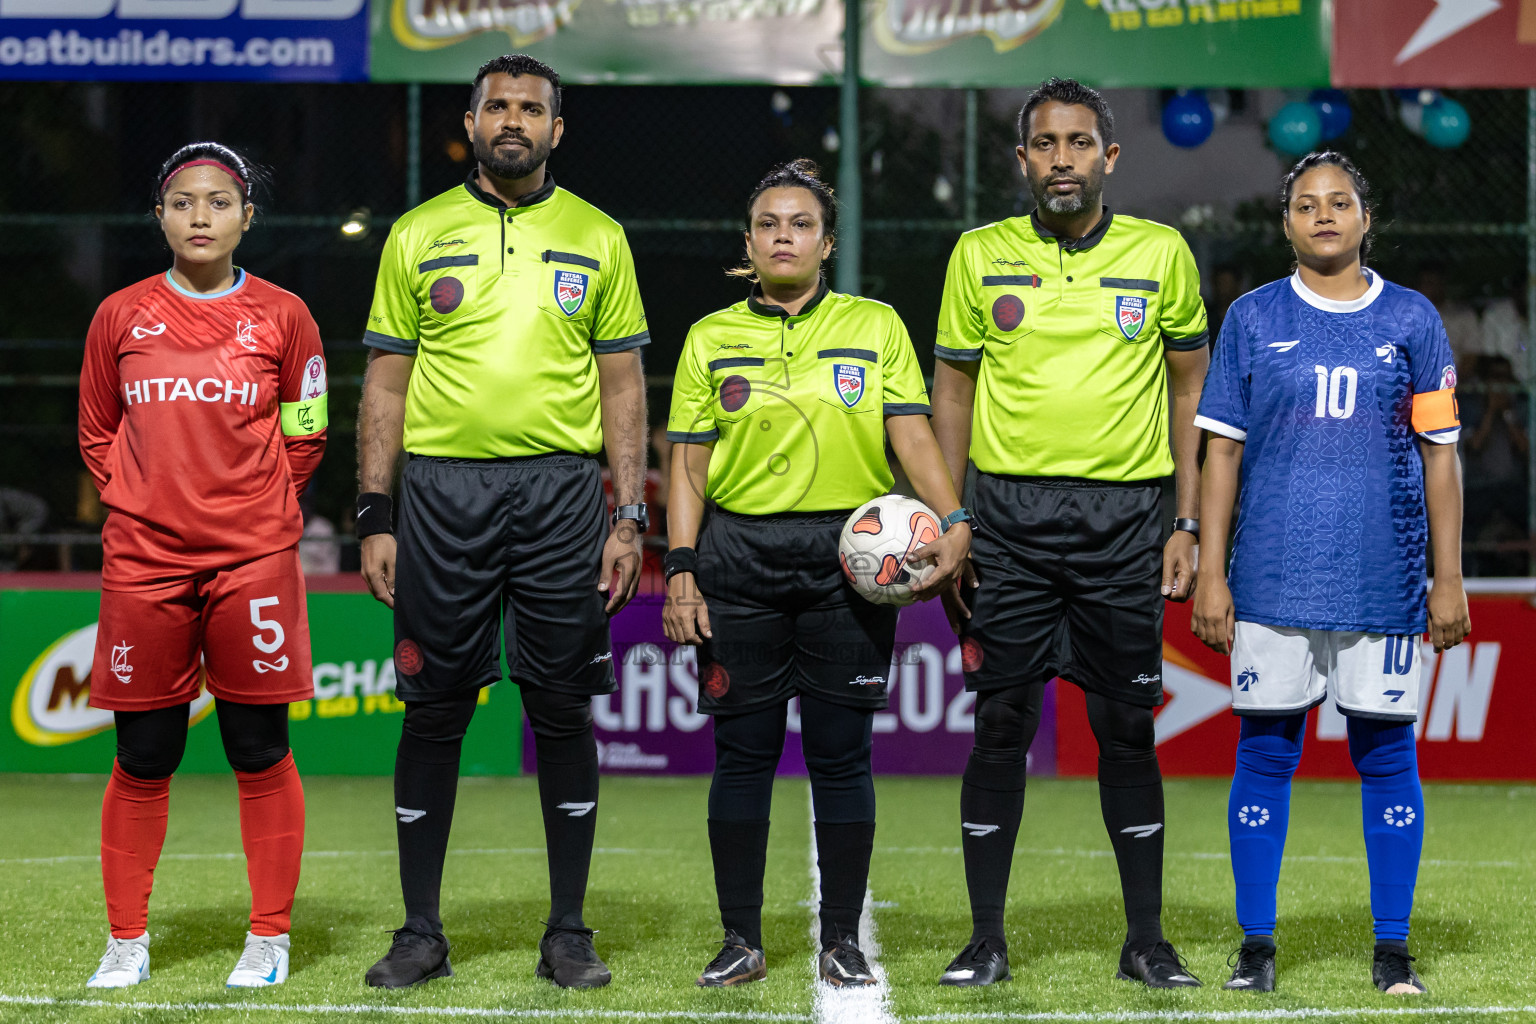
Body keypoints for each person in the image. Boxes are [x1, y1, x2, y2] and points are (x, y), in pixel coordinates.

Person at [356, 54, 649, 990]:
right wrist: (375, 511)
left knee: (562, 707)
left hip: (564, 497)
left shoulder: (600, 237)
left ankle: (567, 931)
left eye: (532, 108)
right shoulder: (416, 232)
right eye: (498, 107)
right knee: (433, 711)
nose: (513, 120)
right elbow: (387, 383)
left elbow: (623, 386)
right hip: (442, 496)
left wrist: (629, 513)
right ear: (472, 122)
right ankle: (420, 933)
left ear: (556, 130)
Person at [929, 77, 1210, 989]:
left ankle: (1146, 940)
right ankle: (984, 939)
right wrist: (954, 514)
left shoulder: (1162, 254)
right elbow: (954, 393)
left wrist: (1187, 519)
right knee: (1000, 722)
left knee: (1127, 725)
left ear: (1109, 157)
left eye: (1079, 143)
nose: (1062, 160)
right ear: (1022, 160)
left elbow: (1189, 391)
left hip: (1126, 524)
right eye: (1045, 144)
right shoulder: (978, 254)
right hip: (1007, 523)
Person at [663, 159, 972, 988]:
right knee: (743, 754)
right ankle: (740, 939)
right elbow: (687, 465)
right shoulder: (709, 338)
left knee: (841, 756)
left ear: (827, 242)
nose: (783, 236)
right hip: (739, 562)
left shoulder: (873, 327)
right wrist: (682, 567)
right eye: (768, 224)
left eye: (800, 224)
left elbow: (911, 437)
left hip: (852, 567)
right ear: (749, 244)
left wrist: (954, 519)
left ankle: (842, 937)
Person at [1192, 151, 1470, 996]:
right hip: (1271, 577)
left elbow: (1441, 458)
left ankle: (1392, 951)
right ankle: (1257, 947)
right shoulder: (1250, 316)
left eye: (1339, 202)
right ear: (1285, 224)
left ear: (1365, 218)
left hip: (1383, 581)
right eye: (1306, 204)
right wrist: (1212, 571)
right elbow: (1221, 452)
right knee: (1264, 751)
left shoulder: (1415, 321)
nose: (1324, 215)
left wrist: (1447, 578)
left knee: (1387, 757)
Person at [77, 142, 326, 989]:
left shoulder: (286, 315)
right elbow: (97, 431)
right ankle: (126, 941)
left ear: (246, 216)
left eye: (219, 202)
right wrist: (151, 500)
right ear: (160, 215)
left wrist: (251, 509)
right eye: (183, 202)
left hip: (252, 559)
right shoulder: (119, 316)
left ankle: (269, 936)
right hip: (144, 562)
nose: (200, 217)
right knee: (144, 751)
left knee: (257, 745)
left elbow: (308, 428)